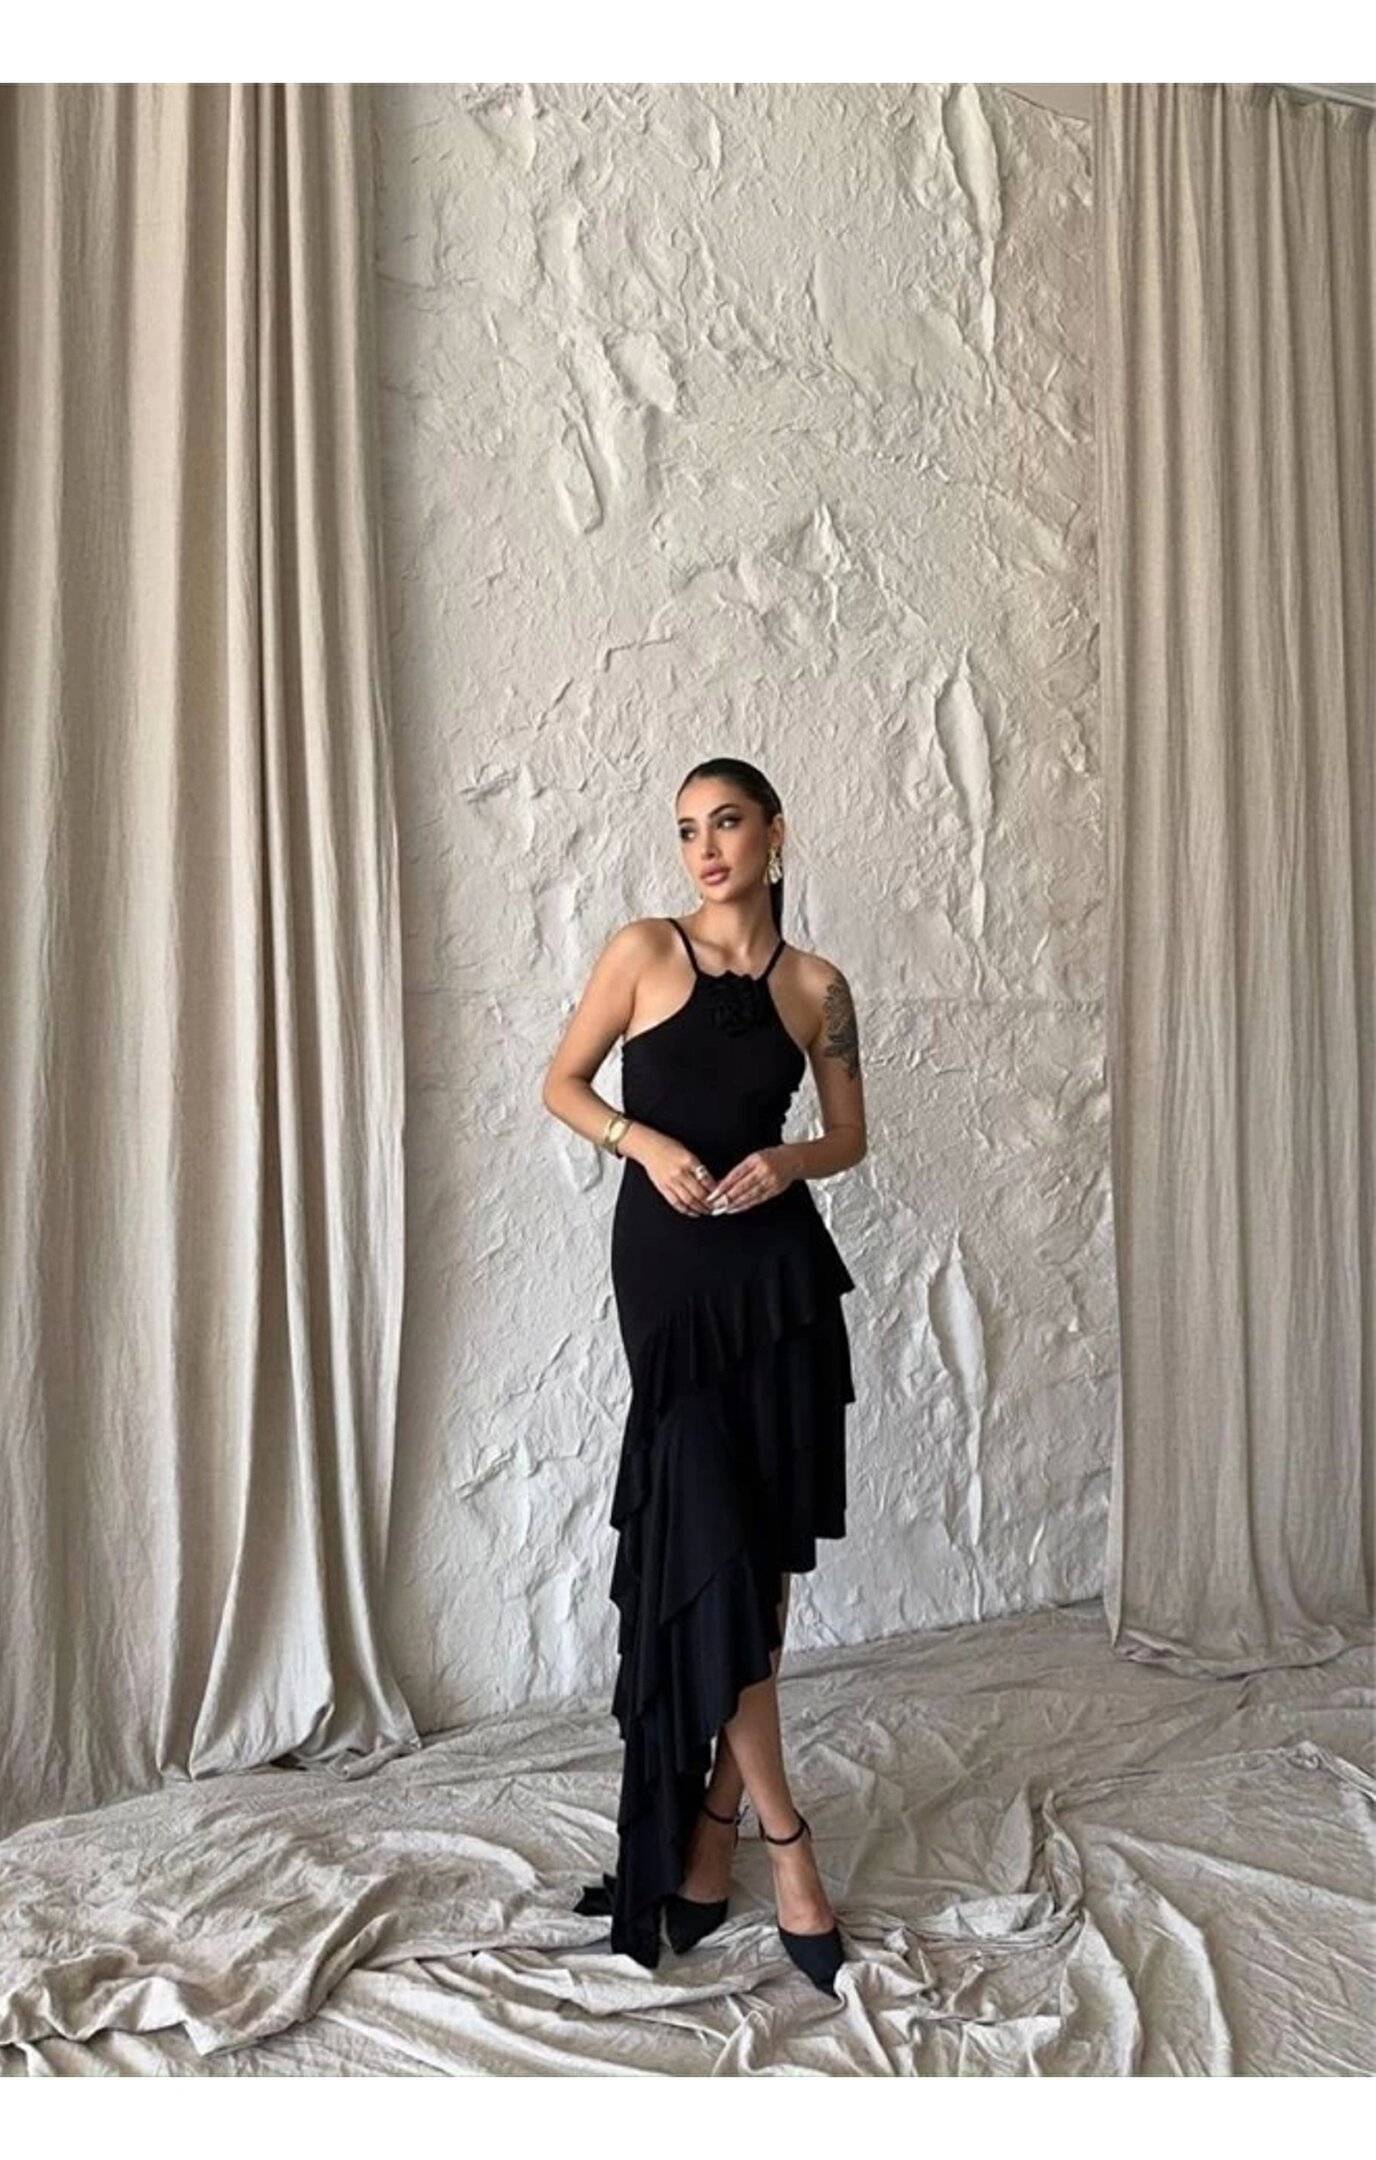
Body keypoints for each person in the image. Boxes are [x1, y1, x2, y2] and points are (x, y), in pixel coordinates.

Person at [540, 758, 865, 1996]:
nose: (706, 848)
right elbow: (561, 1083)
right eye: (687, 830)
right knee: (711, 1542)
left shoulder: (818, 986)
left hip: (777, 1280)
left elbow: (850, 1134)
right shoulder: (643, 949)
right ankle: (789, 1842)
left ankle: (714, 1831)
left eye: (726, 822)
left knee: (760, 1560)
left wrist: (789, 1163)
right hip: (671, 1275)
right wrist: (643, 1140)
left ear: (775, 832)